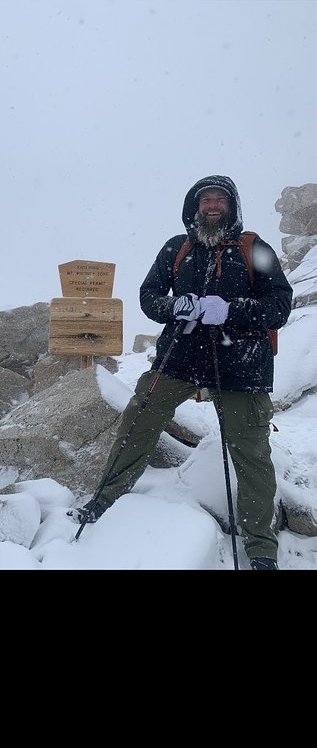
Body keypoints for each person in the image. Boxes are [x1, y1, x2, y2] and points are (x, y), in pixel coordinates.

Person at [69, 174, 293, 571]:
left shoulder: (253, 248)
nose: (211, 205)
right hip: (181, 356)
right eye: (204, 199)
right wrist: (175, 307)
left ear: (232, 206)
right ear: (194, 207)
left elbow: (279, 305)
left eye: (219, 200)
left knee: (251, 454)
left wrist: (230, 310)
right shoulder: (177, 248)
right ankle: (103, 501)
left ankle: (260, 548)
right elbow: (148, 296)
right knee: (138, 420)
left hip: (241, 363)